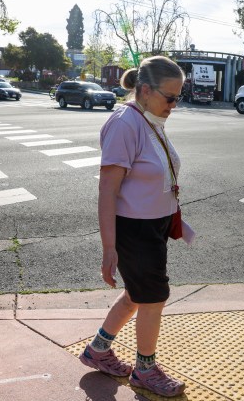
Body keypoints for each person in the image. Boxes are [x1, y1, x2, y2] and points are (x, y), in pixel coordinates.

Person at [79, 56, 189, 398]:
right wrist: (109, 248)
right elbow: (107, 190)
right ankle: (145, 371)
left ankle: (98, 350)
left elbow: (151, 178)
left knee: (136, 295)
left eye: (177, 97)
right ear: (144, 90)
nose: (174, 104)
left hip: (152, 227)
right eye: (169, 97)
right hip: (134, 231)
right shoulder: (125, 123)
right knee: (153, 297)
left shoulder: (149, 118)